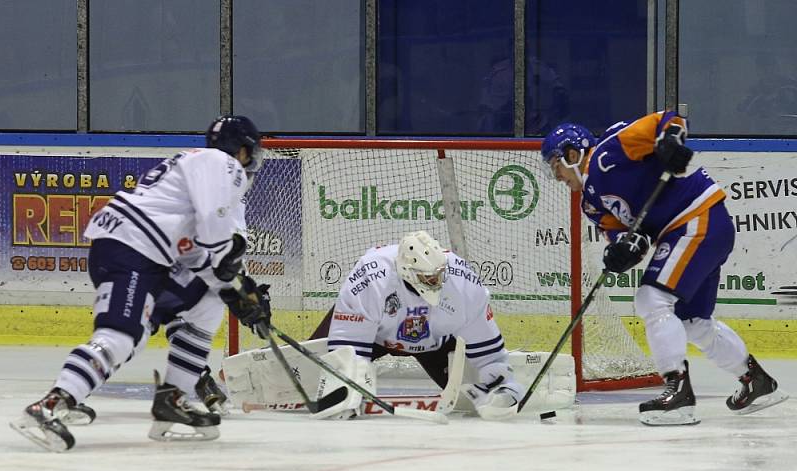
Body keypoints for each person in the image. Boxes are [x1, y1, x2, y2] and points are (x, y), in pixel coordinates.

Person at [10, 115, 272, 451]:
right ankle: (50, 405)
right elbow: (213, 237)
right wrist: (235, 280)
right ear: (243, 152)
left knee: (207, 299)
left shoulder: (192, 172)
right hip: (131, 250)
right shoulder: (224, 165)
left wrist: (232, 292)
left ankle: (173, 400)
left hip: (140, 252)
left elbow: (192, 253)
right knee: (121, 337)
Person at [541, 111, 789, 425]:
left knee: (651, 299)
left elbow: (668, 120)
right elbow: (628, 235)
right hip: (695, 228)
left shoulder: (608, 151)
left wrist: (670, 142)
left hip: (697, 218)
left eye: (556, 166)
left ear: (572, 154)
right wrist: (622, 251)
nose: (557, 176)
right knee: (693, 322)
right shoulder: (591, 203)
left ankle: (678, 393)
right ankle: (757, 383)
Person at [310, 230, 526, 421]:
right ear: (407, 272)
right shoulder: (371, 275)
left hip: (435, 343)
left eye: (439, 275)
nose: (437, 282)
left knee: (471, 398)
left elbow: (489, 355)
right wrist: (348, 385)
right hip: (374, 337)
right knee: (313, 379)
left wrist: (501, 383)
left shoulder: (463, 281)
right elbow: (349, 345)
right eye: (428, 278)